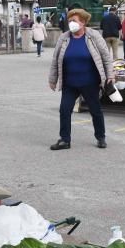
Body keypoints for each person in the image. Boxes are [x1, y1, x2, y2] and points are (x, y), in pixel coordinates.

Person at [48, 8, 113, 150]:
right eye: (69, 20)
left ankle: (101, 137)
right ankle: (65, 139)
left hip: (90, 82)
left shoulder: (93, 36)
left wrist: (110, 76)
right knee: (64, 110)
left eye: (74, 21)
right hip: (69, 83)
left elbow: (106, 57)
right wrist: (53, 79)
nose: (71, 23)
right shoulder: (64, 37)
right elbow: (55, 59)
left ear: (83, 22)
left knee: (95, 110)